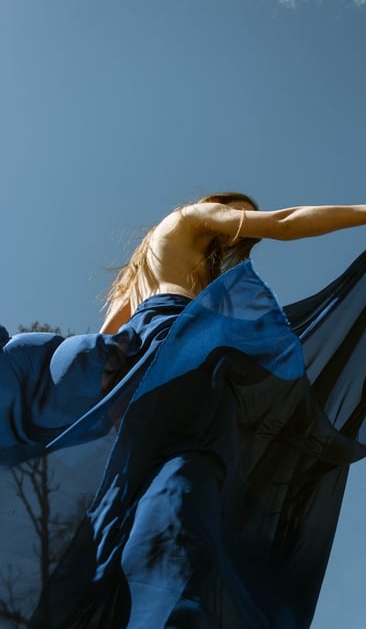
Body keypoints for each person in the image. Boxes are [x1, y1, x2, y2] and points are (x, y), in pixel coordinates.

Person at [1, 192, 366, 629]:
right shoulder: (189, 218)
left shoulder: (139, 274)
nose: (242, 226)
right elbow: (286, 221)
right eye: (240, 214)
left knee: (129, 504)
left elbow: (107, 349)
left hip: (141, 367)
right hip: (184, 352)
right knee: (185, 481)